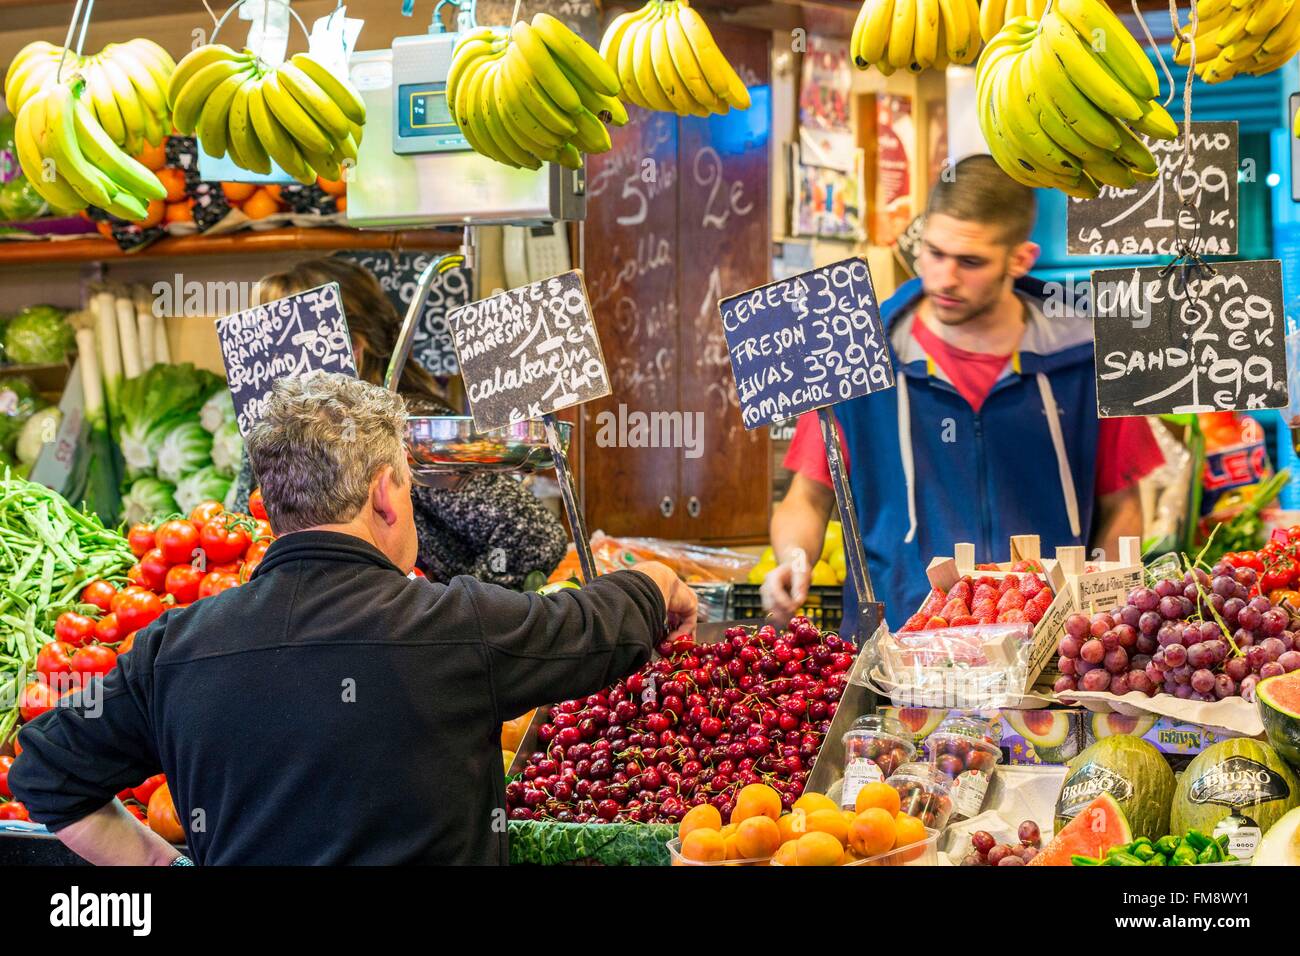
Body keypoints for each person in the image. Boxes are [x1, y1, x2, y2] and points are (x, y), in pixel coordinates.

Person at [9, 372, 697, 865]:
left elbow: (44, 774)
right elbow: (587, 627)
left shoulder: (176, 649)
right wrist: (659, 582)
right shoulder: (454, 626)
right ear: (384, 496)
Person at [763, 155, 1163, 635]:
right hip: (897, 656)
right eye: (933, 253)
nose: (944, 279)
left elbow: (1123, 504)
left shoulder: (1086, 356)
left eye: (970, 262)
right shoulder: (857, 350)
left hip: (1048, 656)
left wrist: (1105, 604)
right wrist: (793, 559)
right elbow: (806, 498)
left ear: (1020, 259)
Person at [236, 257, 569, 589]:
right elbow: (238, 531)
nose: (266, 365)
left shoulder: (408, 430)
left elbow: (533, 536)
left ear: (354, 347)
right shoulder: (270, 434)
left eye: (281, 346)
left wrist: (448, 619)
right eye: (260, 347)